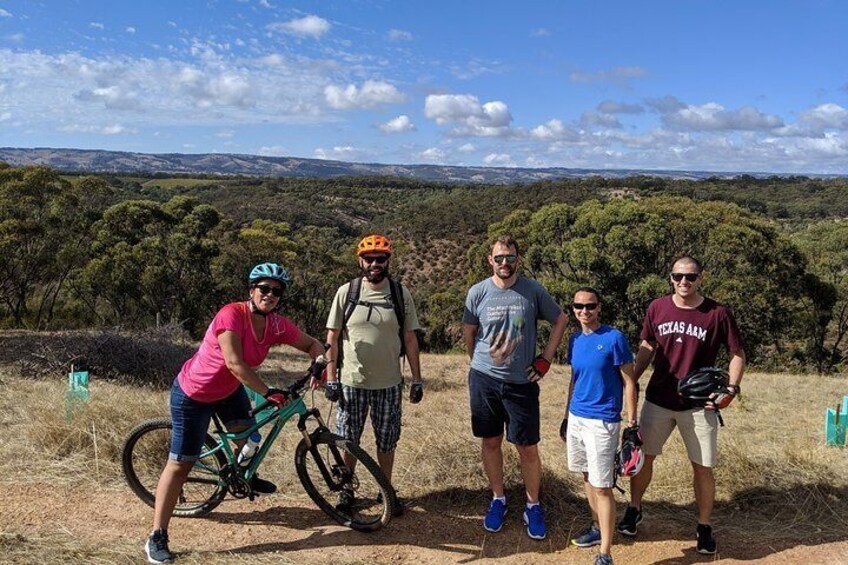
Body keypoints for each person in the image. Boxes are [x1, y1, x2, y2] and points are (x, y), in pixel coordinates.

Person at [145, 262, 326, 564]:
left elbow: (311, 343)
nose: (270, 294)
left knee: (250, 440)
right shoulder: (231, 314)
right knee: (180, 465)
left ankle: (241, 477)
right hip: (195, 393)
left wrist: (320, 362)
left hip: (229, 391)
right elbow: (234, 363)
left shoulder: (277, 324)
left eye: (276, 291)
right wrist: (269, 392)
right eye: (264, 288)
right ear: (252, 290)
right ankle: (157, 535)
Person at [617, 256, 745, 555]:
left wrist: (731, 389)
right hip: (659, 398)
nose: (683, 282)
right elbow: (648, 345)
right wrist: (631, 379)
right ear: (671, 278)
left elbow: (737, 352)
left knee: (702, 467)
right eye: (677, 276)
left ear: (700, 278)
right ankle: (634, 509)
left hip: (700, 405)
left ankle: (703, 526)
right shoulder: (657, 307)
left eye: (690, 277)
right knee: (643, 459)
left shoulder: (717, 313)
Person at [462, 234, 568, 540]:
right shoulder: (478, 292)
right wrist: (477, 363)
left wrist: (545, 360)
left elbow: (560, 319)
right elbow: (470, 331)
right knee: (491, 441)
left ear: (517, 260)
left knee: (527, 446)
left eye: (510, 258)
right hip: (484, 380)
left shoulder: (532, 290)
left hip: (521, 383)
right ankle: (498, 498)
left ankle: (533, 505)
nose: (504, 263)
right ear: (490, 261)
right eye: (499, 258)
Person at [322, 234, 423, 514]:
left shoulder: (401, 294)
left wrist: (417, 379)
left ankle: (385, 490)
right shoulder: (347, 292)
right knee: (347, 438)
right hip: (351, 381)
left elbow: (411, 338)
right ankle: (346, 491)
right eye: (369, 258)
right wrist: (331, 378)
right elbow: (333, 335)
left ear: (388, 260)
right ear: (360, 260)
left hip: (390, 383)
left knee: (387, 440)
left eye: (381, 258)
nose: (375, 263)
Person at [564, 287, 638, 565]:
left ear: (599, 307)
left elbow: (629, 382)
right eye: (578, 306)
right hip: (577, 417)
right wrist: (565, 416)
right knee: (586, 476)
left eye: (590, 306)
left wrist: (631, 423)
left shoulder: (614, 338)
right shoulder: (574, 340)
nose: (584, 311)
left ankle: (605, 552)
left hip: (603, 421)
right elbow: (574, 379)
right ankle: (596, 528)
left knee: (603, 486)